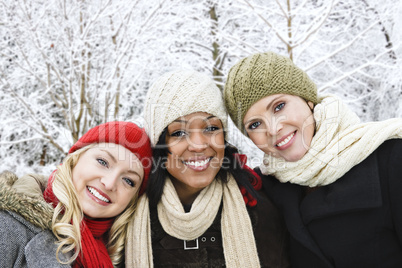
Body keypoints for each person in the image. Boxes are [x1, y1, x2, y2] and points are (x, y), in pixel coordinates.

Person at [223, 51, 402, 268]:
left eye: (279, 106)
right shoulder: (263, 190)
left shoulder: (391, 158)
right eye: (254, 124)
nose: (272, 129)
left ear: (307, 100)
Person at [125, 70, 290, 267]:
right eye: (179, 132)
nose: (198, 144)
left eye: (211, 128)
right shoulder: (126, 214)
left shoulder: (262, 208)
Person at [0, 121, 152, 268]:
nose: (110, 183)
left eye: (128, 180)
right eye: (103, 162)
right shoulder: (8, 227)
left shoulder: (124, 256)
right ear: (75, 159)